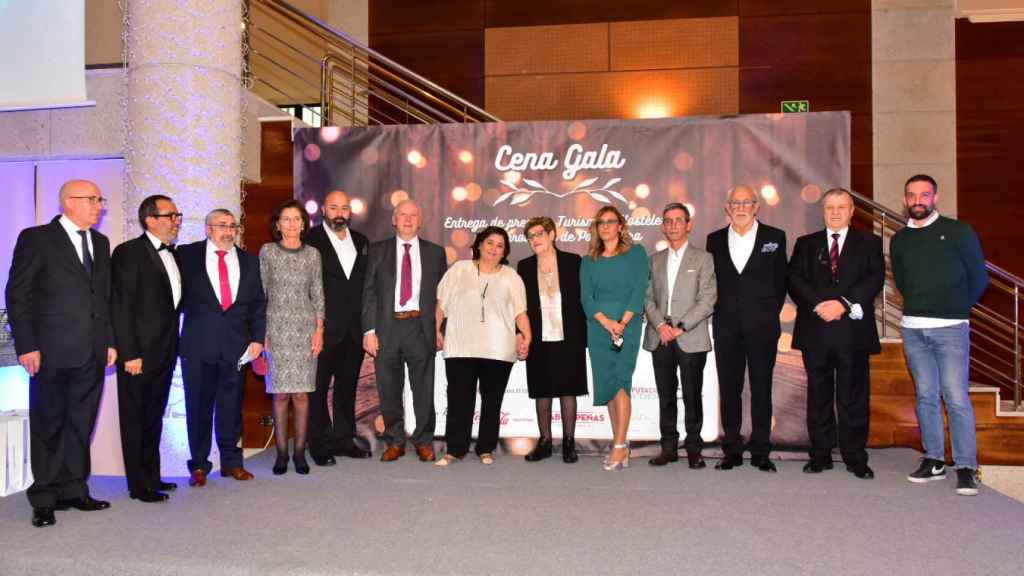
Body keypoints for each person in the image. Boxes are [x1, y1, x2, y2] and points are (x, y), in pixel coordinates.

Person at [6, 179, 117, 528]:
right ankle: (44, 498)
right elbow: (18, 295)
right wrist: (27, 345)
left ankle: (74, 490)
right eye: (93, 200)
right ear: (69, 202)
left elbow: (103, 298)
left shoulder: (101, 242)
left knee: (81, 424)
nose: (99, 206)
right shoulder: (36, 238)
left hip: (91, 350)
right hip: (50, 350)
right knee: (48, 425)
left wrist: (109, 341)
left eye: (100, 200)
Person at [891, 174, 988, 496]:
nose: (918, 200)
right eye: (912, 195)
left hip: (950, 329)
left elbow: (979, 277)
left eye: (924, 194)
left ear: (935, 197)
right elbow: (901, 281)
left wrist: (955, 308)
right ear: (905, 199)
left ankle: (966, 466)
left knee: (956, 398)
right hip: (913, 329)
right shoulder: (900, 239)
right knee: (925, 396)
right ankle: (933, 459)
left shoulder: (959, 231)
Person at [787, 188, 883, 479]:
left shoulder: (869, 243)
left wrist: (842, 304)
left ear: (852, 211)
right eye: (830, 207)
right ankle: (820, 454)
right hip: (816, 330)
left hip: (853, 332)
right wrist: (820, 305)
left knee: (853, 397)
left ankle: (855, 457)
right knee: (818, 396)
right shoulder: (806, 243)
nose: (836, 212)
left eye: (842, 207)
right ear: (823, 211)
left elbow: (874, 278)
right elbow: (794, 279)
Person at [178, 209, 266, 487]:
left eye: (232, 226)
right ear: (208, 229)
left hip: (236, 348)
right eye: (222, 226)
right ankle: (199, 465)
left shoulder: (250, 262)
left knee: (231, 407)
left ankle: (232, 463)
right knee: (198, 407)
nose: (228, 231)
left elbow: (258, 305)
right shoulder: (186, 255)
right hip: (197, 346)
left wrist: (258, 339)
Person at [705, 185, 787, 472]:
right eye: (735, 203)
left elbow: (780, 282)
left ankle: (761, 451)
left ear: (756, 207)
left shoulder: (775, 237)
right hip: (726, 326)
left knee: (762, 388)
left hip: (763, 327)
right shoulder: (714, 240)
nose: (740, 207)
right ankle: (732, 450)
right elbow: (712, 283)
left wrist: (765, 314)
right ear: (727, 208)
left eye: (746, 202)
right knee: (730, 389)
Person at [434, 227, 531, 467]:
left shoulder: (511, 277)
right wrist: (435, 330)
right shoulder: (459, 270)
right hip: (460, 347)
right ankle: (454, 450)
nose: (494, 249)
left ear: (505, 251)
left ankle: (486, 448)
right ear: (479, 244)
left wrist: (527, 336)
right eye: (490, 243)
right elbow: (441, 305)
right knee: (459, 400)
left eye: (500, 246)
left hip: (498, 349)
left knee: (492, 402)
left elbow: (520, 312)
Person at [362, 199, 447, 462]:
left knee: (423, 389)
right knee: (389, 388)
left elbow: (442, 297)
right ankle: (395, 441)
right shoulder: (377, 251)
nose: (408, 220)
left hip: (420, 327)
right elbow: (369, 292)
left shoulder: (435, 253)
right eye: (403, 215)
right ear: (394, 220)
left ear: (420, 221)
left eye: (413, 215)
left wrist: (439, 328)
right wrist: (369, 330)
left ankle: (424, 441)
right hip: (386, 328)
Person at [111, 195, 183, 503]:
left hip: (165, 350)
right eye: (170, 216)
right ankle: (138, 485)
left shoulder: (174, 253)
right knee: (135, 419)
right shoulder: (129, 252)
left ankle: (152, 476)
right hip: (138, 354)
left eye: (177, 216)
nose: (176, 221)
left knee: (154, 416)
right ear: (150, 220)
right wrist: (129, 353)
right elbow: (121, 305)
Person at [643, 203, 716, 469]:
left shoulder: (704, 259)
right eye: (668, 221)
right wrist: (661, 325)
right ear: (663, 226)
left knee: (692, 395)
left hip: (690, 336)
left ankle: (694, 449)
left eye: (678, 220)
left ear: (688, 225)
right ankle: (668, 448)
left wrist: (680, 327)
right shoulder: (654, 260)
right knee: (666, 395)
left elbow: (708, 300)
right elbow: (646, 297)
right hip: (660, 335)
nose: (673, 225)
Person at [305, 190, 372, 466]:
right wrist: (313, 326)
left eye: (344, 208)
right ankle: (319, 444)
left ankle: (344, 440)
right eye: (334, 207)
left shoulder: (362, 241)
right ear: (323, 210)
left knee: (347, 388)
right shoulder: (309, 240)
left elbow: (365, 287)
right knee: (317, 390)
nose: (339, 213)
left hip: (353, 330)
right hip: (320, 330)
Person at [580, 206, 649, 471]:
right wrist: (607, 323)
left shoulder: (636, 253)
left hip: (627, 326)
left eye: (611, 222)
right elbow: (586, 298)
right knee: (608, 384)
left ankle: (619, 446)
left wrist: (621, 323)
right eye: (601, 222)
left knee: (621, 382)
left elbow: (639, 290)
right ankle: (619, 443)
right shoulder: (589, 261)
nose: (605, 226)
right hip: (599, 329)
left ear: (621, 226)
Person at [259, 200, 325, 475]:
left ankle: (299, 453)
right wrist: (261, 334)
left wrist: (319, 331)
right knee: (280, 395)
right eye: (286, 219)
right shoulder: (267, 252)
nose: (292, 224)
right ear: (277, 224)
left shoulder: (313, 254)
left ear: (303, 224)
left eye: (297, 219)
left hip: (304, 331)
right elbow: (261, 293)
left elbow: (318, 294)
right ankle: (281, 454)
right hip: (275, 330)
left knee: (301, 395)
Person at [517, 216, 587, 463]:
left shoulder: (573, 261)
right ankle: (545, 441)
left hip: (570, 336)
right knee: (542, 390)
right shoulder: (524, 266)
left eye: (539, 234)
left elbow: (583, 299)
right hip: (537, 336)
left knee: (569, 390)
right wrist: (521, 334)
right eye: (530, 237)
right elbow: (520, 305)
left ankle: (569, 443)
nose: (534, 240)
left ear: (552, 235)